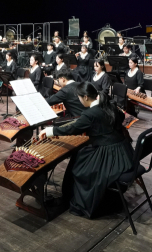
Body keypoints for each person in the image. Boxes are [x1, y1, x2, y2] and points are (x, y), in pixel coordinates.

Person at [40, 82, 133, 218]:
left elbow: (72, 129)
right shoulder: (108, 105)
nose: (78, 100)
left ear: (85, 97)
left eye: (78, 98)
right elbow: (121, 116)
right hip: (123, 151)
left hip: (108, 154)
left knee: (78, 167)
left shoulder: (90, 113)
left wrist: (50, 130)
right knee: (81, 156)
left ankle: (80, 200)